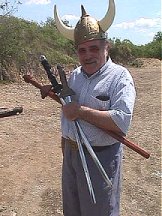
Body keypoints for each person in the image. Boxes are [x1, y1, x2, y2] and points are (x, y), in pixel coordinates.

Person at [42, 0, 136, 215]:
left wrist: (81, 111)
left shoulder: (120, 77)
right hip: (71, 155)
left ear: (106, 47)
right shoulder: (75, 76)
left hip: (100, 156)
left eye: (94, 48)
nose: (87, 55)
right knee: (72, 209)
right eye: (82, 50)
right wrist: (53, 90)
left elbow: (121, 121)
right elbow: (67, 104)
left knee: (99, 210)